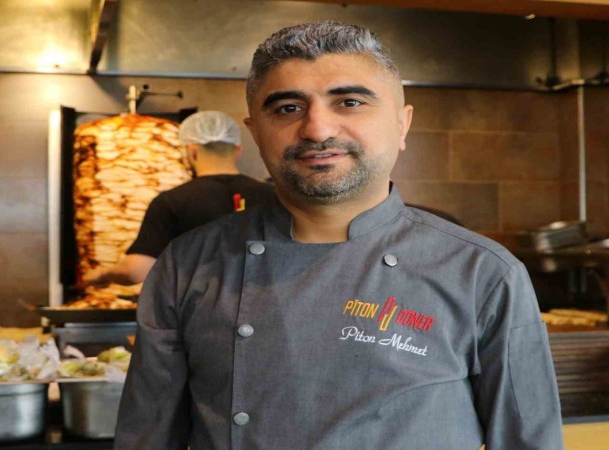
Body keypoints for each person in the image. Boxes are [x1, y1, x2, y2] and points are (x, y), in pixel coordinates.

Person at [115, 21, 563, 450]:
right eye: (288, 108)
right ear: (255, 133)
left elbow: (529, 441)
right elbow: (146, 438)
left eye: (349, 102)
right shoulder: (189, 264)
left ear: (402, 124)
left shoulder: (484, 274)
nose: (318, 129)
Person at [84, 110, 275, 287]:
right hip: (267, 306)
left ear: (191, 151)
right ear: (238, 150)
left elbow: (135, 271)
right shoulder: (274, 196)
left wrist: (101, 274)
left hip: (201, 309)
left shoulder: (172, 201)